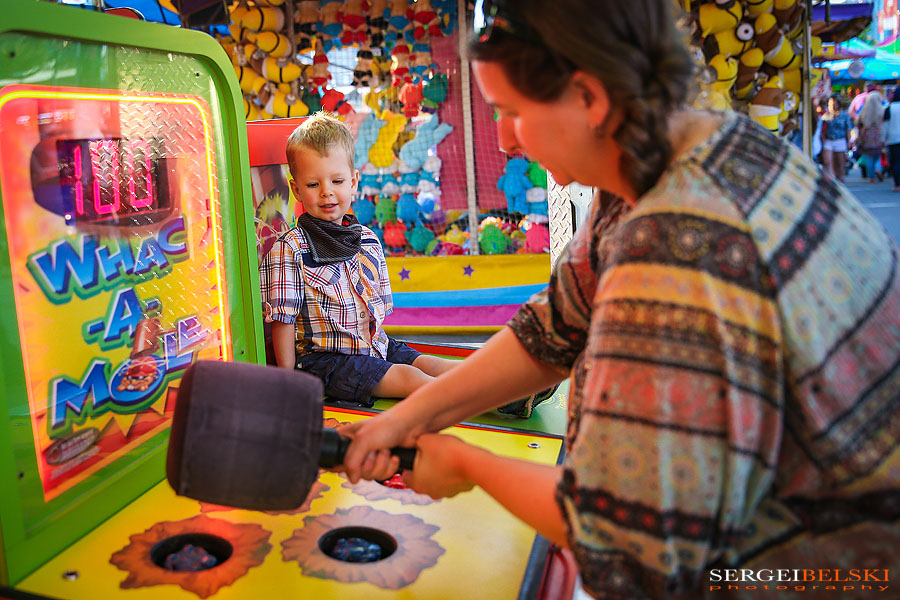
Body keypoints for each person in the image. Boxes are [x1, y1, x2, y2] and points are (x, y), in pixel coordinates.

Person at [338, 1, 900, 598]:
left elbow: (631, 538)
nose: (504, 141)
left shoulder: (678, 246)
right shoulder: (703, 147)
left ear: (589, 98)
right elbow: (553, 329)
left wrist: (467, 464)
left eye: (511, 113)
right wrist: (405, 419)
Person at [259, 112, 458, 406]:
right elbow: (283, 321)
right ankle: (479, 398)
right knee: (409, 379)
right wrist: (290, 382)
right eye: (313, 185)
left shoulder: (367, 240)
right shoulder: (291, 249)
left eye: (337, 180)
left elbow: (374, 315)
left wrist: (383, 351)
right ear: (296, 188)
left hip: (372, 346)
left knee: (429, 364)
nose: (327, 192)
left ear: (353, 182)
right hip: (326, 361)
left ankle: (505, 390)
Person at [820, 95, 852, 181]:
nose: (833, 106)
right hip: (829, 140)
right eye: (831, 104)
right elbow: (822, 130)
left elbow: (848, 129)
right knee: (828, 161)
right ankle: (832, 178)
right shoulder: (825, 116)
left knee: (840, 162)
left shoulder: (844, 115)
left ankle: (840, 177)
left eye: (834, 104)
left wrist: (849, 141)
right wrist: (822, 140)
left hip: (840, 140)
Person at [856, 89, 885, 182]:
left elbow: (858, 122)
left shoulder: (864, 111)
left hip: (867, 135)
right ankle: (878, 169)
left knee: (869, 156)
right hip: (878, 135)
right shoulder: (882, 110)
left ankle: (871, 176)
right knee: (878, 155)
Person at [884, 87, 900, 191]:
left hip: (893, 139)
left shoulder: (889, 108)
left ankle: (897, 184)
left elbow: (885, 126)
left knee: (896, 162)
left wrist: (882, 139)